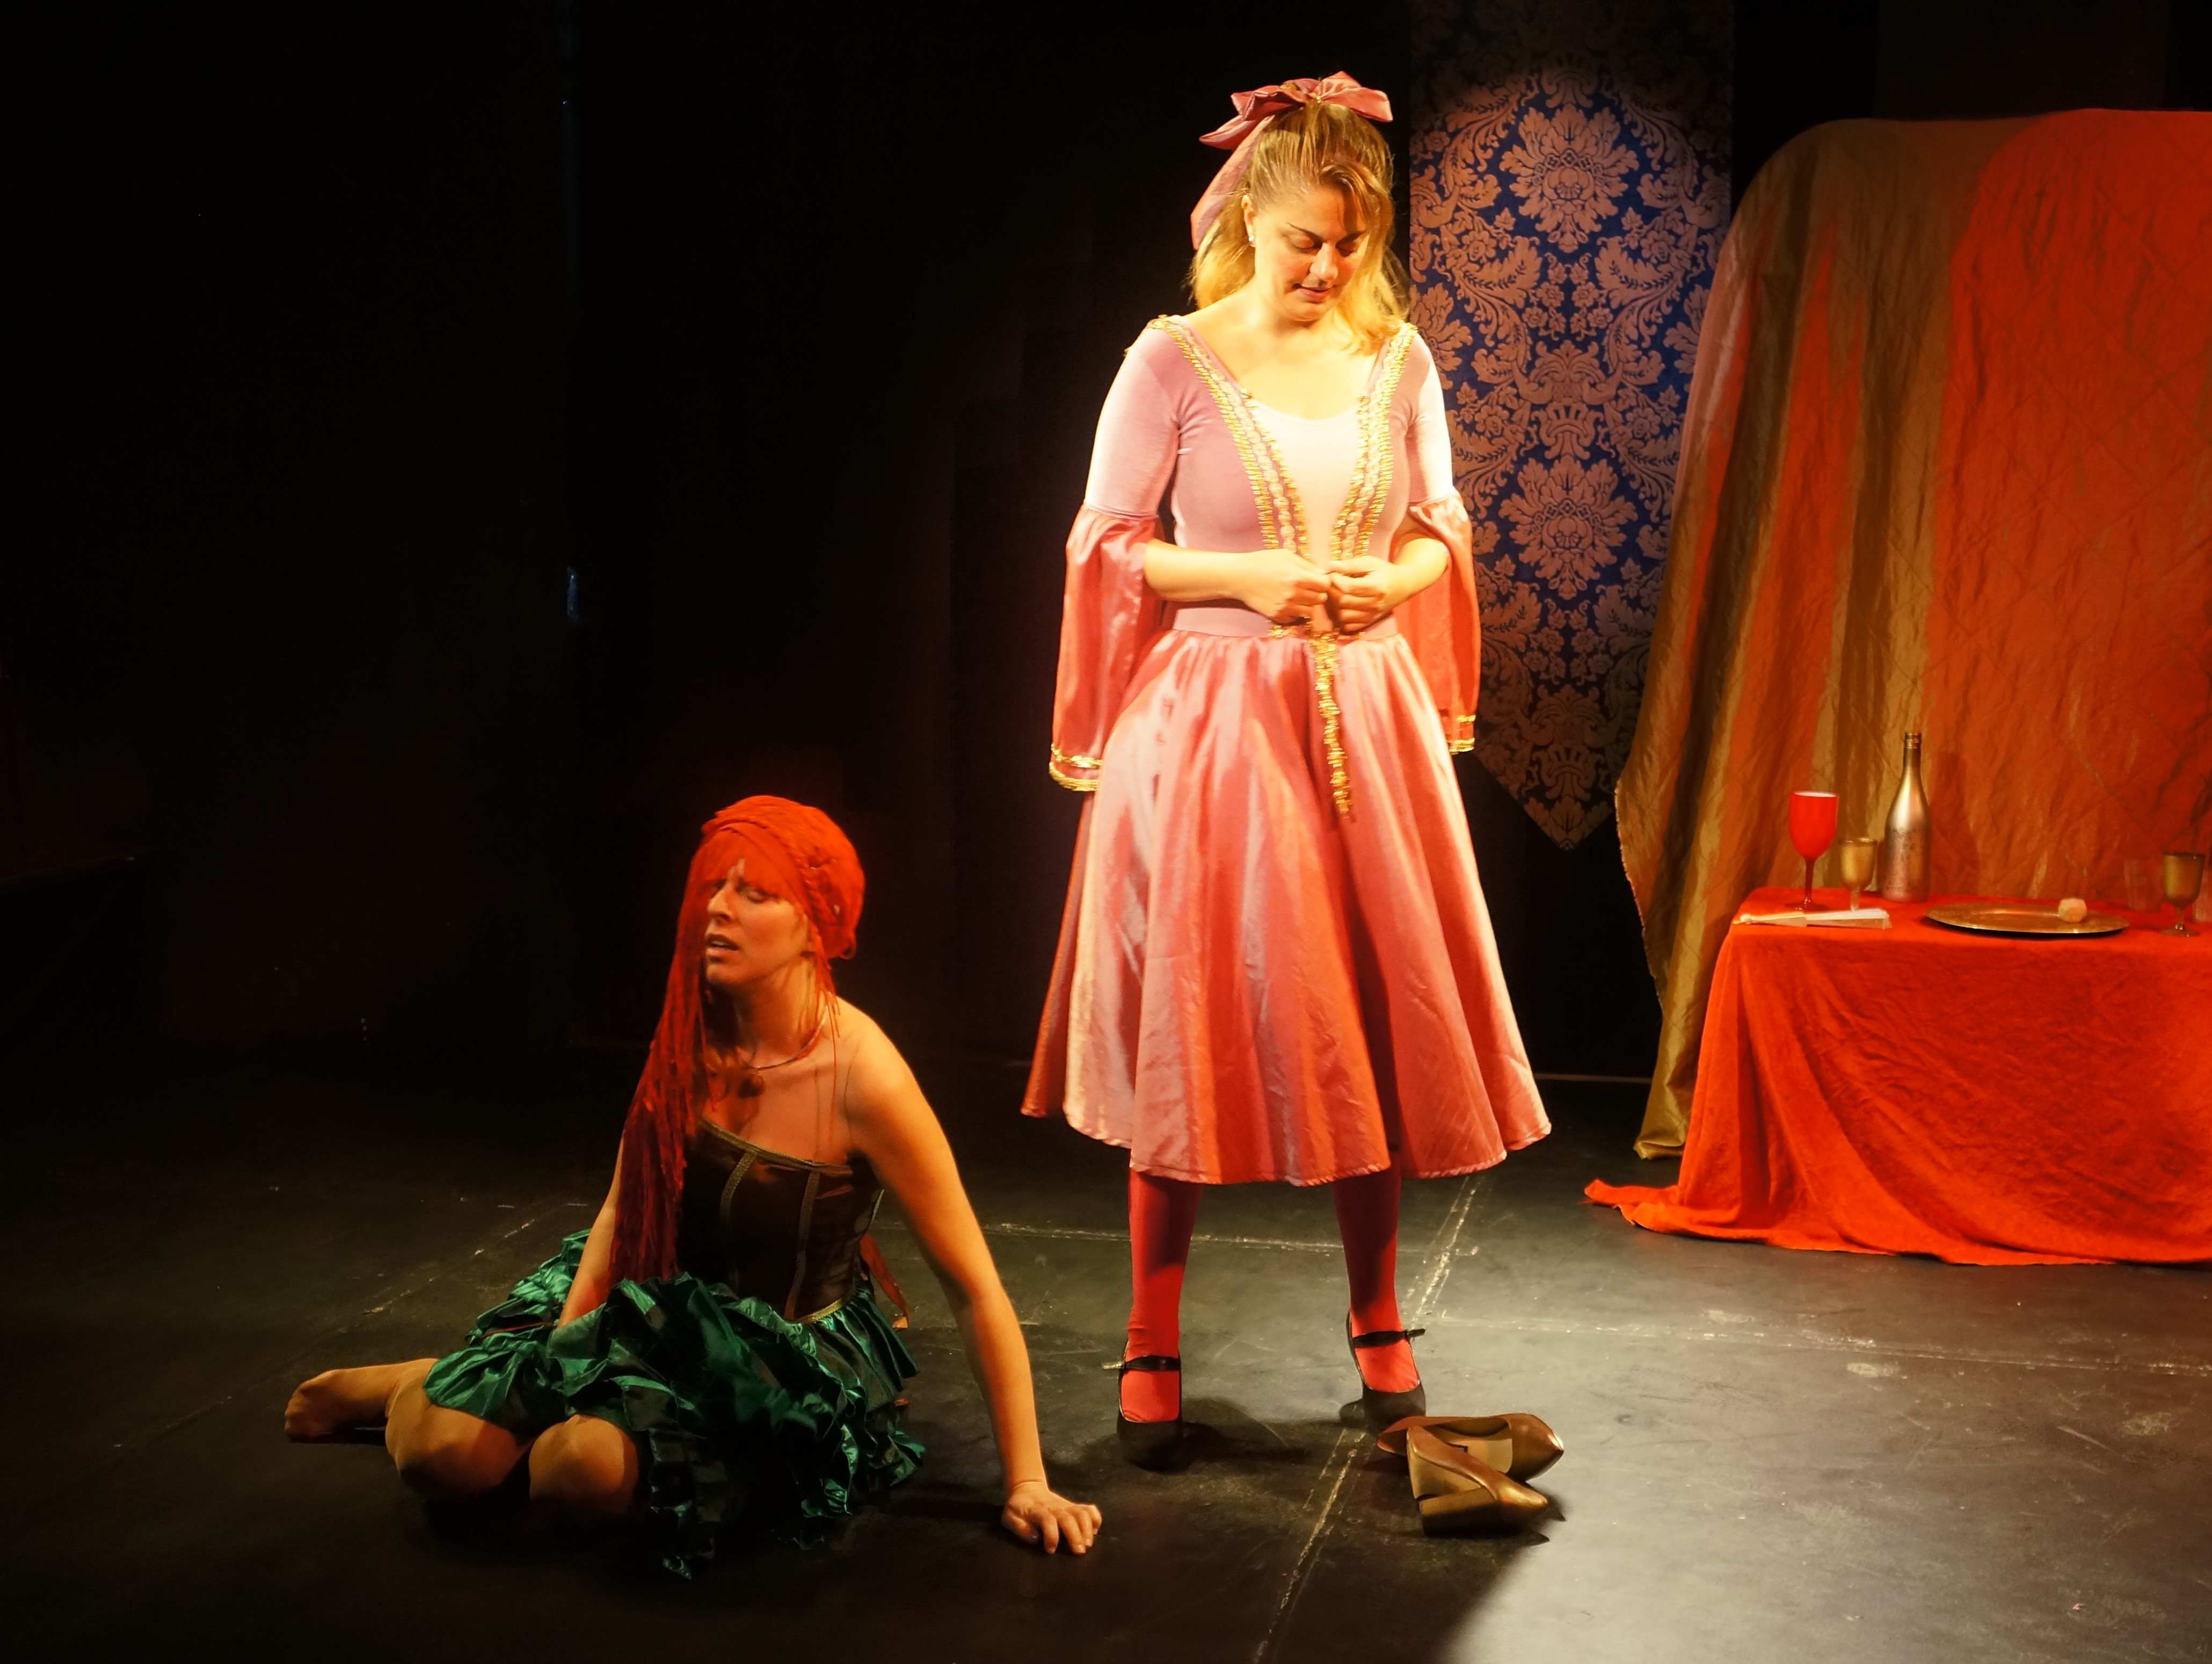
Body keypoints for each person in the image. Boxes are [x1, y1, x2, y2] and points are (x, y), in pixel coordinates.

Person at [1023, 74, 1549, 1465]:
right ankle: (1151, 1329)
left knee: (1368, 1009)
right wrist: (1245, 575)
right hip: (1210, 721)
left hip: (1362, 713)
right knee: (1191, 1020)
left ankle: (1376, 1316)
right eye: (1304, 239)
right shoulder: (1172, 359)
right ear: (1248, 218)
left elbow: (1439, 524)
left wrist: (1397, 581)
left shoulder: (1399, 361)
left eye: (1350, 243)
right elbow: (1109, 542)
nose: (1325, 266)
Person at [287, 797, 1101, 1571]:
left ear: (817, 927)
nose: (719, 909)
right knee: (443, 1461)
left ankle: (518, 1422)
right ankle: (410, 1384)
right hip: (650, 1306)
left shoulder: (865, 1077)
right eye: (715, 887)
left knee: (578, 1471)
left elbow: (975, 1289)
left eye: (755, 895)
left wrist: (1027, 1480)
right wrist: (560, 1359)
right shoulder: (692, 1028)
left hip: (772, 1359)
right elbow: (622, 1210)